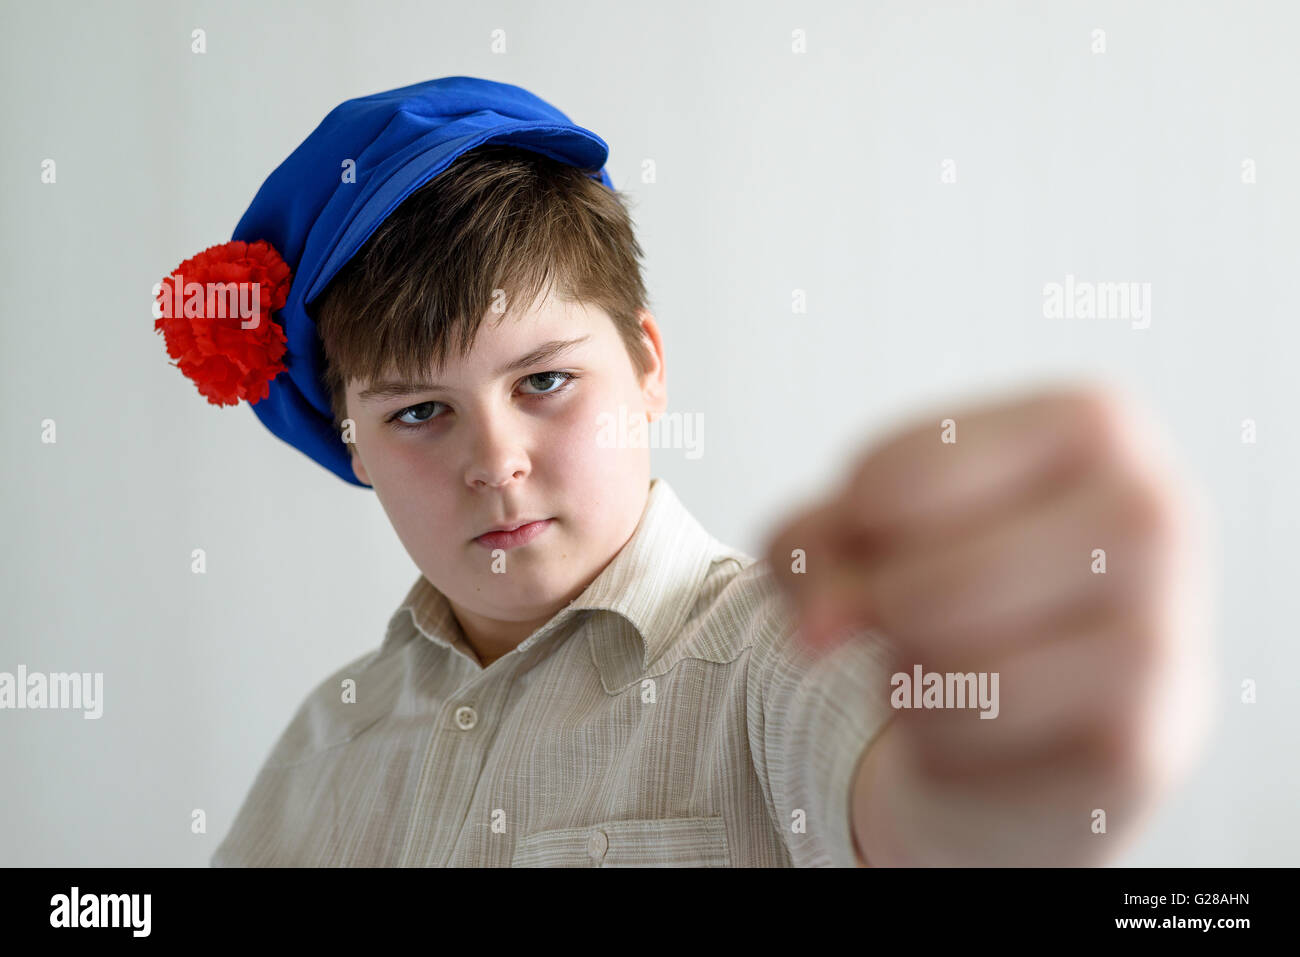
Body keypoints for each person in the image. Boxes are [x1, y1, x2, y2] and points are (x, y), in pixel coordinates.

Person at [155, 76, 1213, 867]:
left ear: (647, 367)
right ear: (351, 442)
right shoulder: (328, 740)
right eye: (420, 412)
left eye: (544, 383)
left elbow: (927, 814)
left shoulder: (780, 662)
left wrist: (1014, 775)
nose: (495, 461)